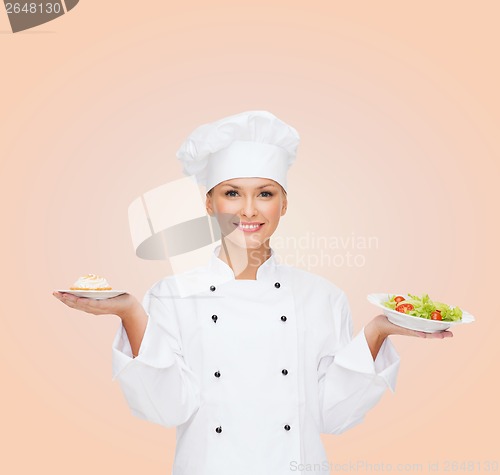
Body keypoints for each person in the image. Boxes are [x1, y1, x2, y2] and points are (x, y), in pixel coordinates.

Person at [53, 110, 452, 475]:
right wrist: (131, 315)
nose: (248, 210)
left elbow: (332, 416)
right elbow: (166, 407)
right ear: (208, 203)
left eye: (265, 193)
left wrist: (376, 333)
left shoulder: (322, 297)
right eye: (231, 193)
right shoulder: (172, 294)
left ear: (285, 204)